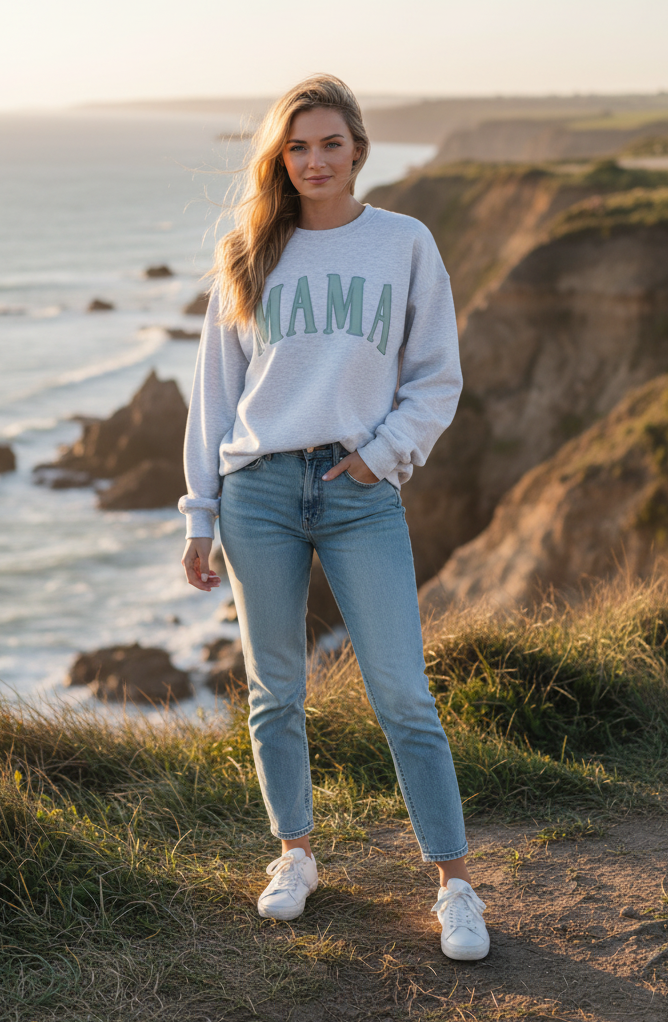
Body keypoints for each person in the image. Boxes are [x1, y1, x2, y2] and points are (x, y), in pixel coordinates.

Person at [179, 74, 489, 961]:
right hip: (259, 493)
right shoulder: (250, 249)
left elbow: (436, 374)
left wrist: (376, 457)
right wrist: (198, 513)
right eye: (297, 146)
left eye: (329, 143)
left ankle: (454, 884)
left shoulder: (403, 243)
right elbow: (215, 393)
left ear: (357, 147)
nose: (314, 160)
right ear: (281, 157)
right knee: (275, 691)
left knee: (403, 694)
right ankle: (296, 857)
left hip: (360, 495)